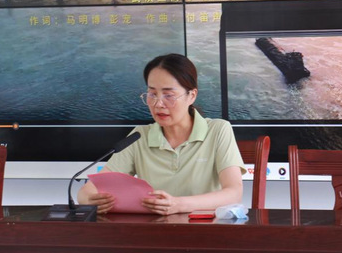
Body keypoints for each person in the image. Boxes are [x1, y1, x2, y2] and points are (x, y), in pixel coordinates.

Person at [77, 53, 245, 215]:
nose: (158, 104)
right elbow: (88, 190)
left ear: (191, 96)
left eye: (168, 95)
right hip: (154, 229)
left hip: (206, 229)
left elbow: (234, 193)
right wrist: (89, 199)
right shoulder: (139, 136)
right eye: (152, 94)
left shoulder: (218, 130)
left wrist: (178, 205)